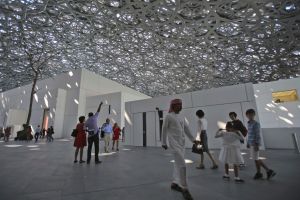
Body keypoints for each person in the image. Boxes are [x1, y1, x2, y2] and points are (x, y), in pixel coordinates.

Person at [162, 99, 196, 200]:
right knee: (183, 165)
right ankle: (185, 189)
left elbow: (186, 129)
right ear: (173, 106)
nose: (181, 106)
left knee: (177, 164)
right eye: (178, 105)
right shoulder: (168, 116)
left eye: (181, 105)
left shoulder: (182, 116)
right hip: (174, 144)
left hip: (182, 144)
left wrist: (194, 140)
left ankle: (175, 183)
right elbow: (164, 129)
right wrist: (163, 142)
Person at [245, 109, 276, 180]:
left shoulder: (256, 124)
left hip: (255, 144)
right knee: (255, 159)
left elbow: (257, 135)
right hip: (251, 143)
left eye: (251, 114)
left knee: (256, 159)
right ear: (246, 115)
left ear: (254, 115)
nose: (250, 116)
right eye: (248, 115)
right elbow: (249, 134)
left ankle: (269, 171)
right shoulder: (249, 123)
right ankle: (259, 173)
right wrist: (248, 143)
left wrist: (257, 145)